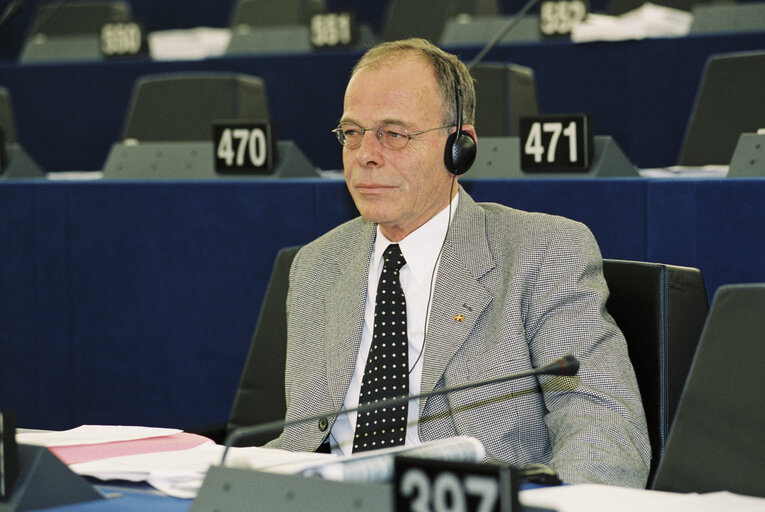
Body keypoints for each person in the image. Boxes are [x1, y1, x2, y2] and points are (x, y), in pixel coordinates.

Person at [266, 38, 650, 488]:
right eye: (352, 133)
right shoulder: (318, 265)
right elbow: (300, 438)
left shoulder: (542, 252)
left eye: (393, 134)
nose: (365, 154)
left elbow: (602, 425)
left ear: (459, 147)